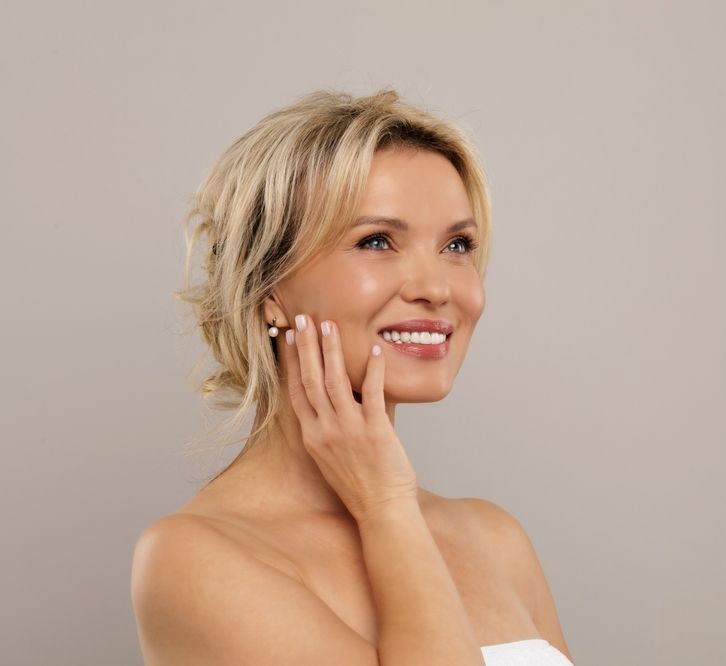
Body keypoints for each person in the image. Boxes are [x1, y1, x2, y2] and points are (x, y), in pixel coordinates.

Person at [129, 89, 575, 666]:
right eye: (377, 241)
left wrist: (388, 507)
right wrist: (386, 507)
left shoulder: (494, 538)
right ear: (269, 289)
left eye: (457, 245)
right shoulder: (195, 559)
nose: (437, 288)